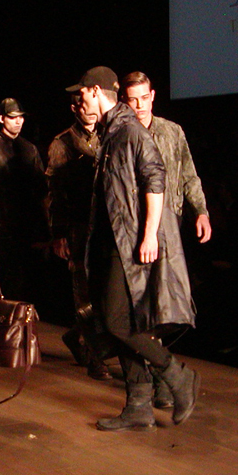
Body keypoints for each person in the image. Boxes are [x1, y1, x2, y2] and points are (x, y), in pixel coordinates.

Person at [68, 66, 199, 431]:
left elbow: (156, 179)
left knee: (117, 322)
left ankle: (178, 376)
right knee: (119, 322)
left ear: (96, 91)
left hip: (128, 244)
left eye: (82, 93)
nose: (79, 100)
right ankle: (139, 404)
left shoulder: (129, 131)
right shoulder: (113, 130)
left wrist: (149, 235)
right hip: (113, 240)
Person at [121, 70, 212, 407]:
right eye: (133, 99)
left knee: (168, 306)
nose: (139, 105)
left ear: (153, 96)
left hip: (170, 226)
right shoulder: (122, 135)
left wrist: (200, 211)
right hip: (135, 229)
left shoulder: (172, 132)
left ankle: (163, 374)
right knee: (141, 306)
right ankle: (159, 376)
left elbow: (188, 174)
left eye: (144, 98)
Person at [46, 93, 111, 380]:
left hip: (105, 225)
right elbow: (55, 193)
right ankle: (97, 357)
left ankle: (78, 336)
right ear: (74, 108)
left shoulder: (108, 135)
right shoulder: (63, 143)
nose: (90, 110)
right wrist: (59, 234)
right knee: (84, 291)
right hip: (79, 226)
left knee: (106, 291)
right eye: (83, 106)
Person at [0, 98, 46, 302]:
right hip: (1, 227)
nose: (18, 121)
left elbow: (41, 190)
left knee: (27, 284)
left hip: (26, 227)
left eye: (21, 117)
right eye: (13, 117)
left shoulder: (29, 149)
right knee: (5, 283)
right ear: (1, 119)